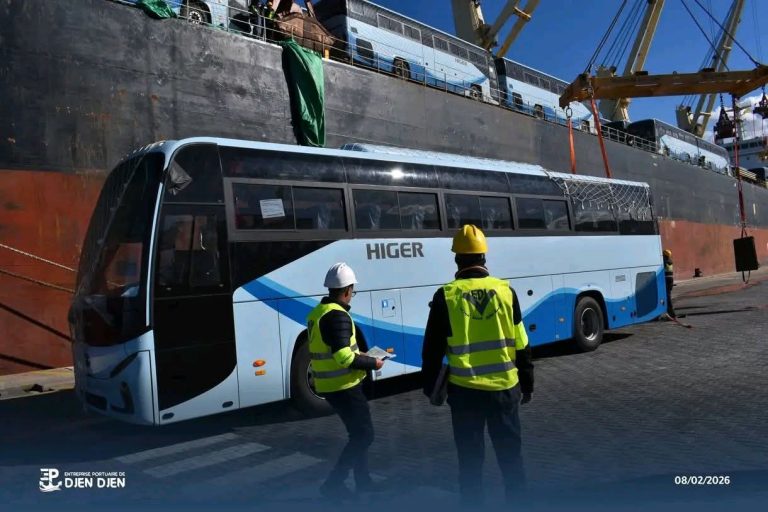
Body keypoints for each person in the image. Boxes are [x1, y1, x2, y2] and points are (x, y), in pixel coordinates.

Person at [422, 225, 534, 505]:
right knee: (512, 461)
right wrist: (528, 383)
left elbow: (432, 350)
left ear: (457, 259)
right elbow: (522, 344)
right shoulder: (506, 292)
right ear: (484, 256)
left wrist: (431, 388)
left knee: (470, 465)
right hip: (505, 391)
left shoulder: (446, 296)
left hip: (465, 394)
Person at [306, 262, 386, 500]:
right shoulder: (337, 316)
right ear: (348, 290)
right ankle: (333, 483)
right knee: (364, 435)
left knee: (357, 434)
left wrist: (361, 354)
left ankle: (364, 482)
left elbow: (335, 349)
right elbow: (343, 357)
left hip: (330, 386)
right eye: (353, 290)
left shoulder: (318, 312)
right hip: (344, 386)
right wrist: (373, 363)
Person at [663, 249, 676, 318]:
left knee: (667, 296)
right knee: (668, 295)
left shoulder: (664, 262)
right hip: (671, 279)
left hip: (666, 279)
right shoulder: (670, 261)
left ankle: (671, 313)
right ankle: (670, 312)